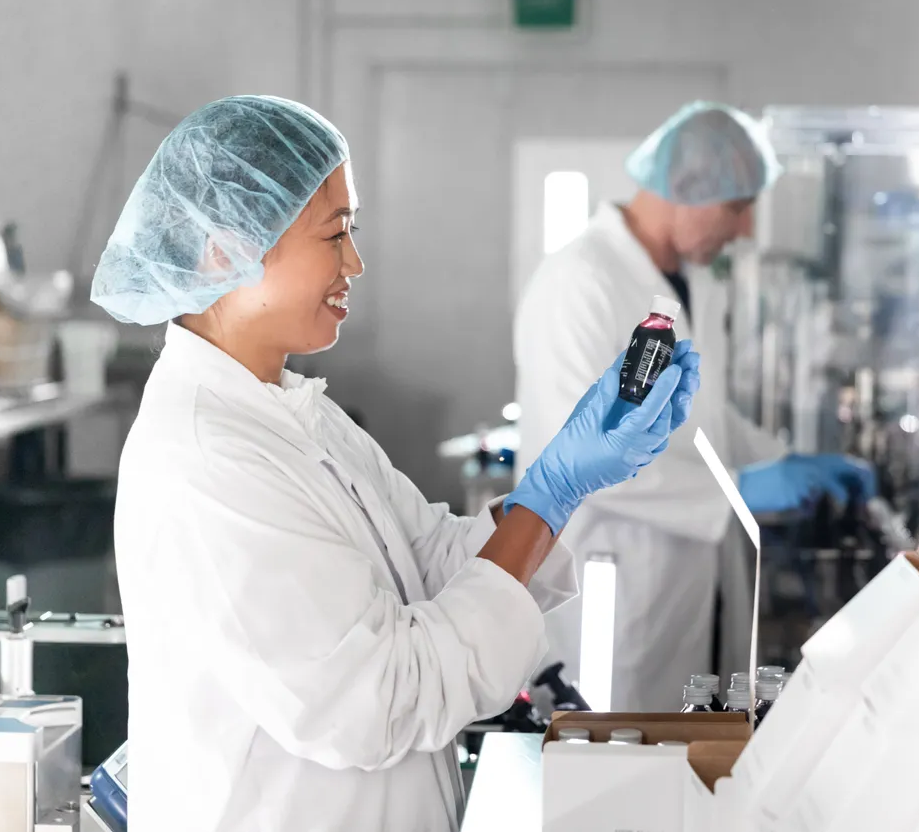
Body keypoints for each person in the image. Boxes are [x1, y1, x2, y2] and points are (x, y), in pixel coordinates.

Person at [90, 95, 701, 832]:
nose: (355, 261)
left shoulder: (292, 412)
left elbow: (430, 561)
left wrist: (562, 481)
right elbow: (378, 700)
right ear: (226, 247)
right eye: (335, 233)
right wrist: (553, 489)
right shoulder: (207, 458)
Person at [513, 101, 875, 712]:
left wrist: (789, 462)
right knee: (604, 762)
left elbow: (701, 417)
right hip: (609, 577)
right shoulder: (580, 282)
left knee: (672, 757)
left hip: (682, 582)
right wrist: (741, 487)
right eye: (735, 207)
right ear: (684, 191)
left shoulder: (688, 282)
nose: (744, 230)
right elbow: (580, 460)